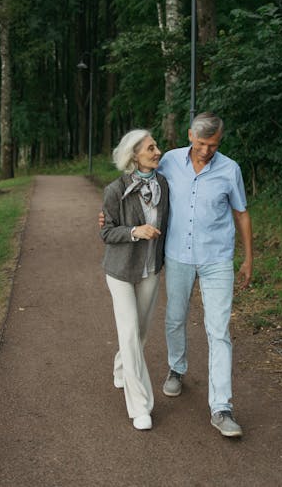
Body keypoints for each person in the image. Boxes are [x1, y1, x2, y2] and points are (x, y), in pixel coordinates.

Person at [158, 112, 253, 438]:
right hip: (178, 256)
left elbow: (241, 213)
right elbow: (139, 178)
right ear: (190, 136)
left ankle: (221, 407)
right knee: (174, 318)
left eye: (213, 145)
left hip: (217, 260)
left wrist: (248, 259)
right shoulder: (168, 161)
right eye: (201, 144)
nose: (206, 151)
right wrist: (111, 212)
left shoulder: (230, 169)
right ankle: (176, 368)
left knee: (219, 332)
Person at [100, 129, 169, 431]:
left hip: (151, 269)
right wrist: (134, 231)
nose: (157, 152)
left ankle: (120, 368)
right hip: (121, 272)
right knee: (129, 333)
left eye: (156, 147)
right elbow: (106, 232)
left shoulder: (164, 184)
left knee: (139, 334)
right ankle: (140, 406)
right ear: (134, 156)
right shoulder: (115, 190)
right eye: (150, 148)